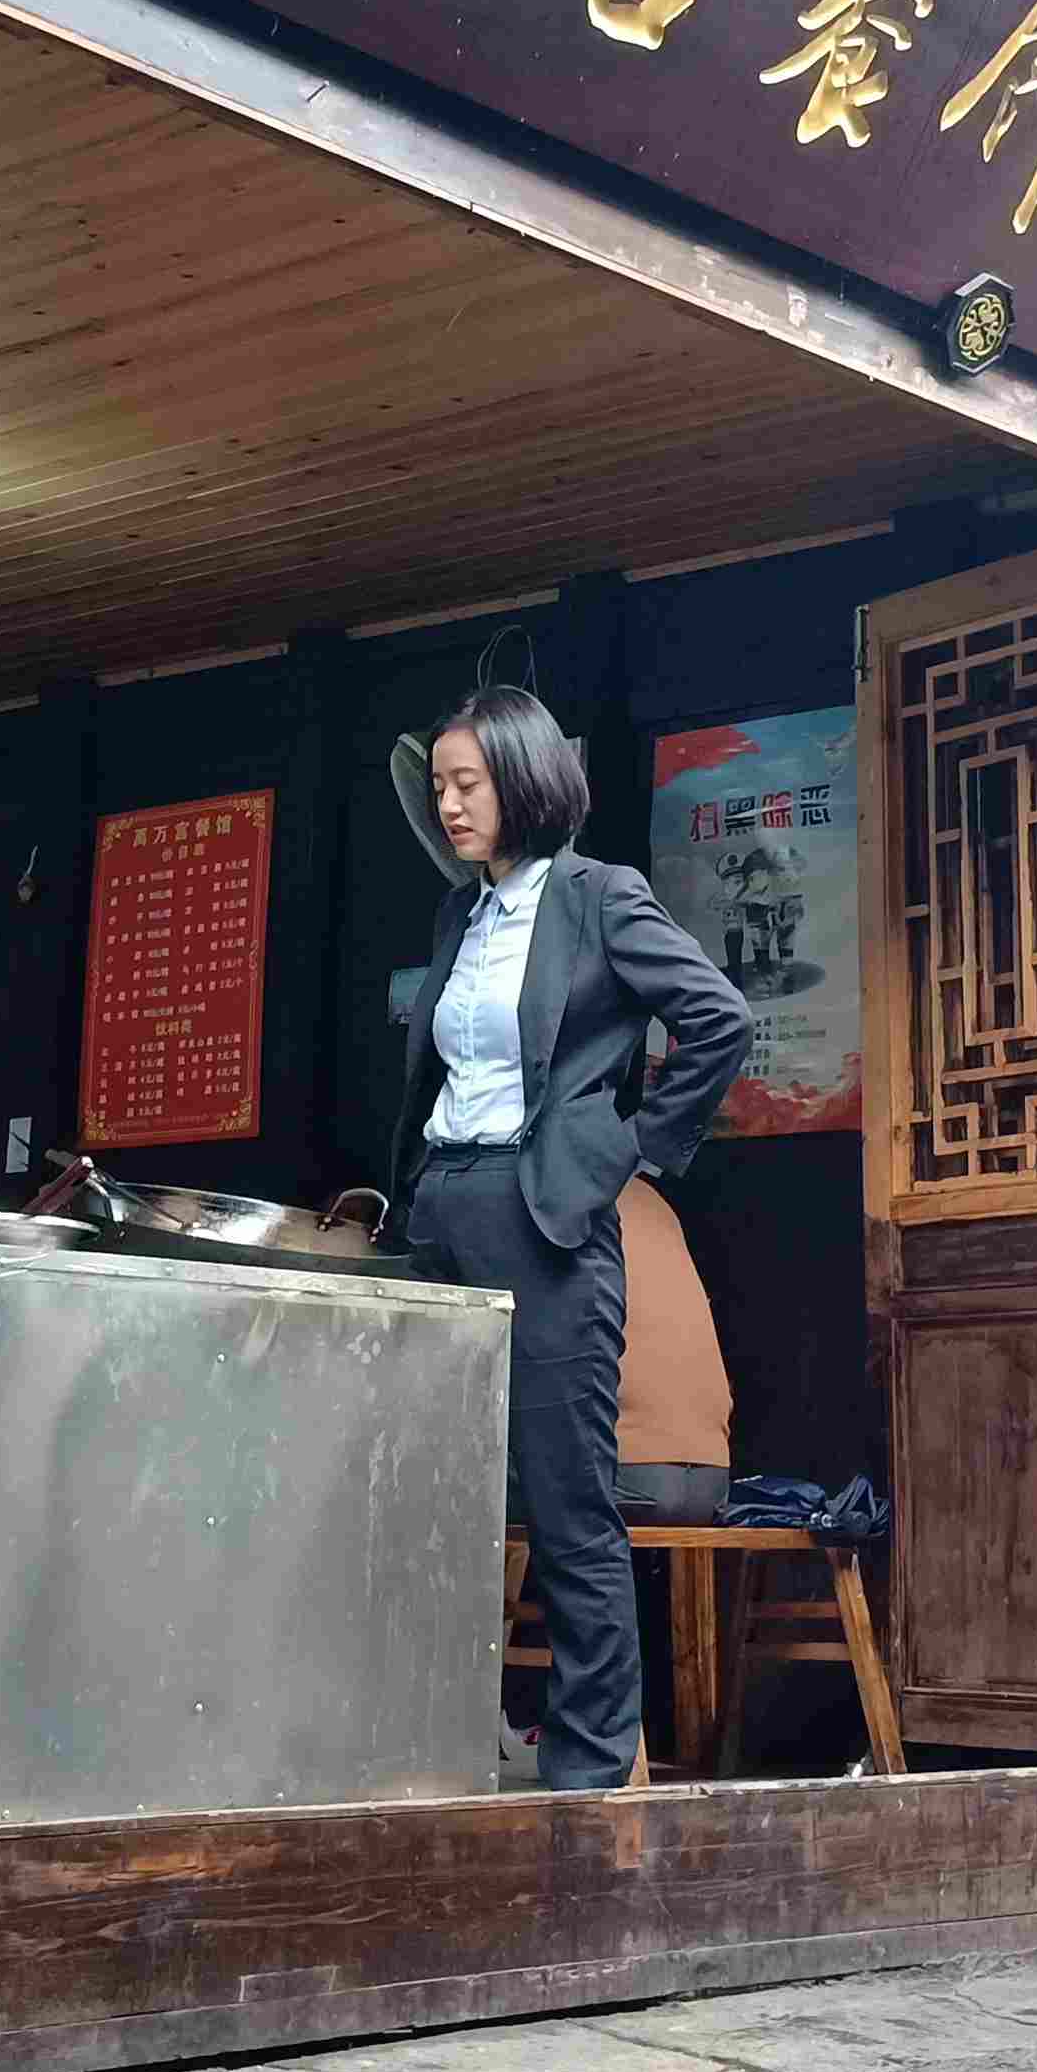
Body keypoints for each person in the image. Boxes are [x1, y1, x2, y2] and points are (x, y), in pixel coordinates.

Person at [389, 686, 751, 1791]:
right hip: (443, 1206)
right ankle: (431, 1746)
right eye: (441, 787)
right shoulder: (458, 916)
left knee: (566, 1503)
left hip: (543, 1215)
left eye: (469, 784)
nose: (450, 806)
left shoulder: (600, 897)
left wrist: (628, 1150)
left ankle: (590, 1777)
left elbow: (719, 1019)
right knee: (431, 1491)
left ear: (524, 781)